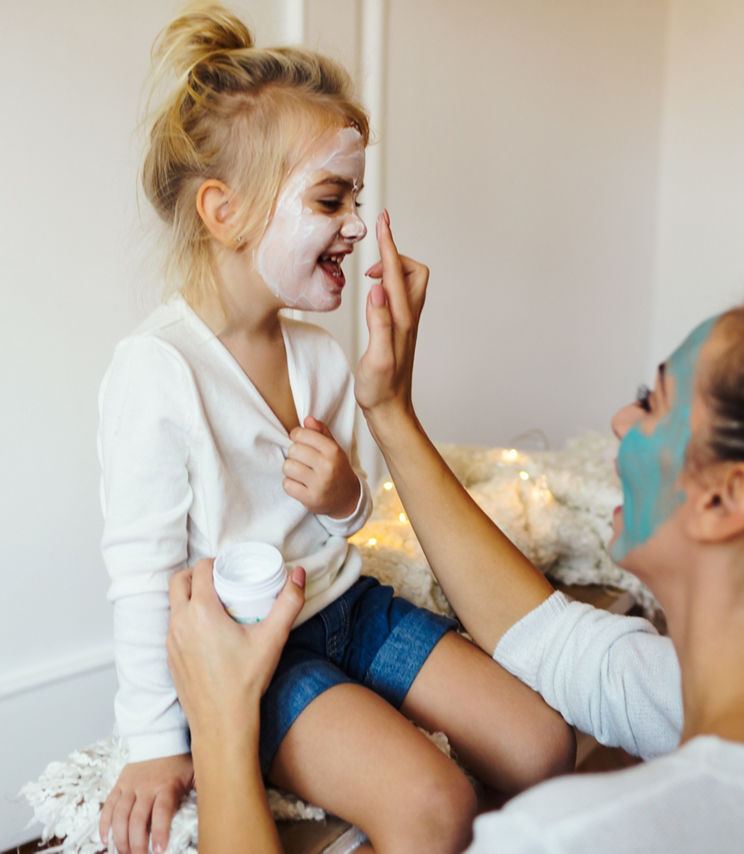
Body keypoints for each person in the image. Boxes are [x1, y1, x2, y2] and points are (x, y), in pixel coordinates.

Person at [166, 209, 744, 852]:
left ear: (725, 499)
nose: (622, 422)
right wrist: (389, 412)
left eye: (655, 402)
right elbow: (555, 643)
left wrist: (220, 724)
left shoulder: (570, 839)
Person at [97, 7, 574, 853]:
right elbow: (142, 575)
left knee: (542, 745)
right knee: (433, 803)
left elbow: (353, 515)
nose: (357, 222)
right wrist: (154, 745)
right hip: (261, 656)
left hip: (350, 606)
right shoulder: (156, 372)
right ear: (224, 209)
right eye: (330, 197)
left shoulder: (318, 355)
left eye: (357, 195)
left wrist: (348, 493)